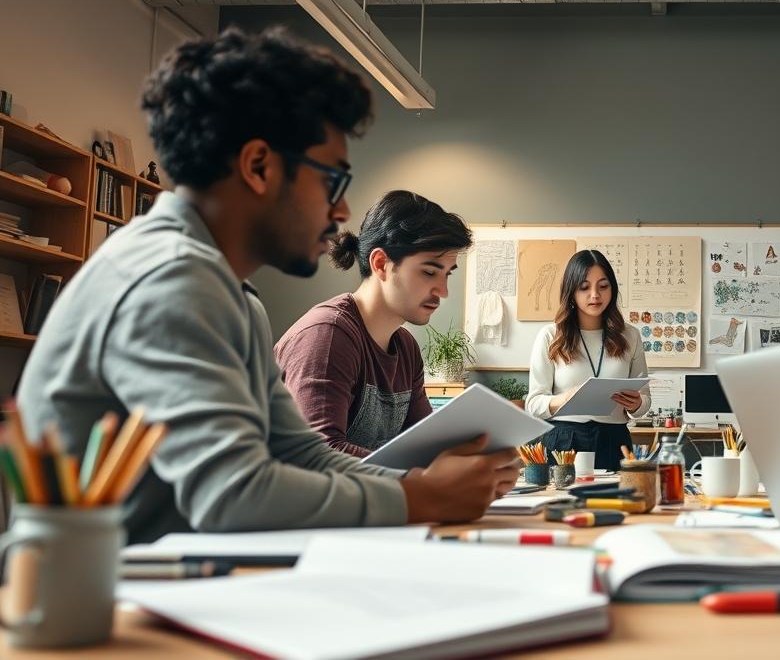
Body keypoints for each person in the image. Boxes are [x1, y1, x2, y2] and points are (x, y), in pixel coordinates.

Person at [16, 28, 517, 543]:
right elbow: (232, 493)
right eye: (332, 181)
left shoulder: (231, 295)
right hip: (103, 602)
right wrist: (422, 496)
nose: (341, 211)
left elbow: (300, 452)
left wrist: (422, 486)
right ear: (259, 166)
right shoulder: (172, 277)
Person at [275, 190, 472, 457]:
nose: (443, 290)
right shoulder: (328, 335)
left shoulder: (406, 348)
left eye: (447, 274)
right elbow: (317, 453)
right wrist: (423, 479)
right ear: (381, 264)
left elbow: (426, 445)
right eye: (429, 272)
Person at [526, 249, 651, 469]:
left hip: (615, 440)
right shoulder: (551, 335)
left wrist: (637, 404)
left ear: (612, 289)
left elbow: (644, 401)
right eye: (584, 287)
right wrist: (566, 398)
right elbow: (533, 405)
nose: (595, 295)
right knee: (562, 503)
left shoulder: (630, 335)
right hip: (564, 440)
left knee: (616, 503)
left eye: (603, 286)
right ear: (571, 292)